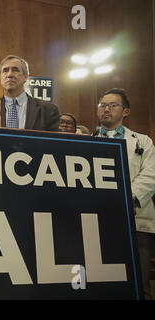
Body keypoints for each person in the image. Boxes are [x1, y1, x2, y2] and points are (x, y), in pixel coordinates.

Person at [94, 88, 155, 299]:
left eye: (112, 105)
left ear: (126, 112)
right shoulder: (85, 139)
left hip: (135, 219)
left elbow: (150, 175)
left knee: (139, 283)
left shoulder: (142, 141)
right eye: (102, 105)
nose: (106, 109)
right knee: (100, 284)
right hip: (95, 222)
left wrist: (124, 200)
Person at [0, 55, 60, 131]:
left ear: (25, 77)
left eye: (15, 70)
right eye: (5, 71)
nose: (9, 75)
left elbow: (53, 144)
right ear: (0, 77)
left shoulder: (48, 110)